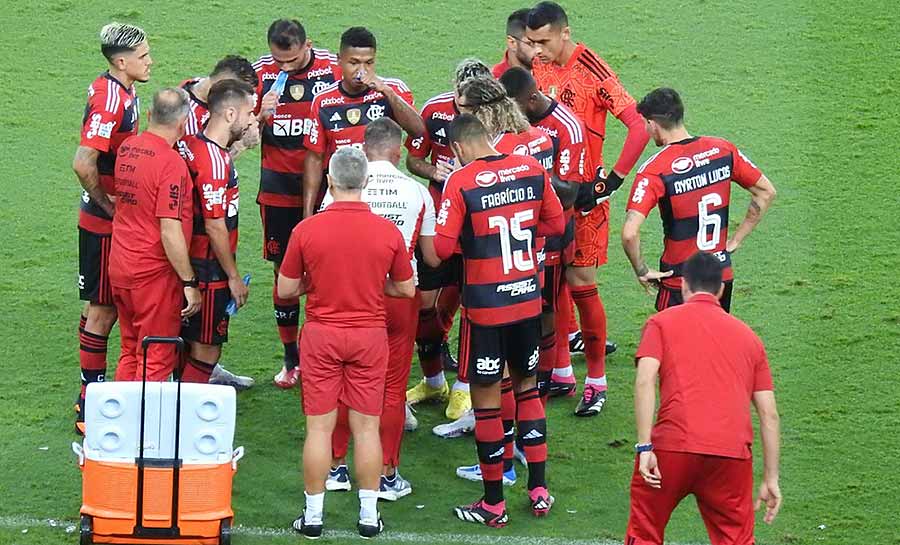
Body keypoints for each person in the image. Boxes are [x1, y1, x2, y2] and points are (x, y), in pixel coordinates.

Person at [278, 147, 415, 539]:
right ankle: (369, 516)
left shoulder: (307, 230)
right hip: (369, 337)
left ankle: (314, 516)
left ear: (331, 181)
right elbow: (405, 289)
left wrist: (312, 283)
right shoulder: (386, 231)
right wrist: (374, 285)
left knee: (319, 430)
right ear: (366, 182)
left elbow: (286, 289)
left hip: (322, 334)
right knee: (367, 429)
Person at [436, 114, 563, 527]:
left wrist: (475, 240)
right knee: (527, 391)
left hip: (485, 310)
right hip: (527, 300)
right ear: (489, 138)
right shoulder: (530, 169)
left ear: (457, 149)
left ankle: (493, 504)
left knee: (488, 404)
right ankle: (540, 489)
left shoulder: (461, 181)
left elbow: (439, 248)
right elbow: (556, 224)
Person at [526, 1, 650, 417]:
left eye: (543, 41)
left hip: (583, 196)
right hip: (547, 196)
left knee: (581, 284)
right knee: (554, 284)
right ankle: (561, 370)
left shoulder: (592, 69)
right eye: (532, 42)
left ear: (564, 33)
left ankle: (596, 380)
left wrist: (610, 181)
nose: (537, 50)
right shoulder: (534, 67)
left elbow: (637, 125)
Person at [626, 251, 782, 545]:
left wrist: (645, 445)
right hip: (730, 456)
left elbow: (645, 379)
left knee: (644, 532)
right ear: (721, 290)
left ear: (684, 286)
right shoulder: (751, 339)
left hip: (671, 450)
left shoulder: (660, 323)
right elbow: (769, 414)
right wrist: (771, 478)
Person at [324, 118, 439, 501]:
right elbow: (432, 256)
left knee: (340, 382)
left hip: (347, 294)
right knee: (391, 390)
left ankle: (337, 468)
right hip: (397, 297)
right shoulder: (417, 192)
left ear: (362, 146)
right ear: (397, 150)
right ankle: (388, 475)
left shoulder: (341, 186)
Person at [621, 88, 777, 312]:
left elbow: (629, 233)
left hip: (680, 282)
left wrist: (642, 270)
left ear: (653, 124)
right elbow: (766, 192)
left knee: (674, 346)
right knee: (714, 343)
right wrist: (736, 240)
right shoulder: (723, 149)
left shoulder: (655, 169)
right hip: (720, 276)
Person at [253, 19, 341, 389]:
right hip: (277, 188)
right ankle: (292, 359)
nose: (284, 68)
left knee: (331, 274)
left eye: (291, 60)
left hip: (328, 188)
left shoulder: (335, 68)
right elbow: (233, 132)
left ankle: (328, 353)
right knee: (283, 274)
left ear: (309, 44)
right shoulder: (260, 74)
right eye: (279, 61)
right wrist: (259, 115)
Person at [403, 58, 493, 424]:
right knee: (423, 306)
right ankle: (434, 380)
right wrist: (432, 170)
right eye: (462, 101)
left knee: (473, 310)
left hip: (478, 227)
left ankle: (464, 389)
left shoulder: (499, 120)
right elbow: (413, 158)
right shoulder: (433, 111)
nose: (467, 108)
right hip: (436, 224)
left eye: (474, 104)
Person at [72, 22, 150, 433]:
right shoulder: (109, 99)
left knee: (99, 306)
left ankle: (90, 394)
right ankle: (90, 403)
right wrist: (111, 208)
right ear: (121, 62)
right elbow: (83, 162)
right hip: (103, 224)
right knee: (104, 309)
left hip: (108, 218)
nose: (150, 61)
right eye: (142, 56)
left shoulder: (122, 88)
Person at [501, 66, 587, 399]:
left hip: (553, 230)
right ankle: (539, 371)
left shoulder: (567, 127)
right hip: (521, 230)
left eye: (514, 107)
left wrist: (528, 170)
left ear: (532, 99)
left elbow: (570, 193)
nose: (510, 116)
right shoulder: (513, 129)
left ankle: (547, 376)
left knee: (546, 304)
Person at [108, 88, 199, 382]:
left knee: (130, 349)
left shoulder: (128, 149)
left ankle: (120, 425)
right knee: (156, 356)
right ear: (183, 124)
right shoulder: (171, 164)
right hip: (153, 275)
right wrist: (188, 281)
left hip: (120, 266)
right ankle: (146, 428)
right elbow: (170, 229)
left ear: (149, 115)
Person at [177, 79, 257, 389]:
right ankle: (182, 419)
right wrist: (233, 276)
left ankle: (174, 414)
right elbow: (214, 224)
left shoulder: (194, 145)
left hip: (191, 261)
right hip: (209, 268)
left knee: (187, 343)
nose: (253, 120)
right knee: (207, 348)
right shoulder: (213, 160)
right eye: (249, 113)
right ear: (230, 114)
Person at [304, 26, 425, 218]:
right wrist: (308, 212)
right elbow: (314, 158)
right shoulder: (323, 101)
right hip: (343, 194)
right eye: (354, 63)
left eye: (369, 63)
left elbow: (418, 131)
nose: (362, 70)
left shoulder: (393, 89)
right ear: (339, 60)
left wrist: (387, 92)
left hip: (384, 194)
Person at [180, 55, 260, 158]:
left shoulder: (198, 83)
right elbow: (206, 167)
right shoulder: (188, 120)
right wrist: (240, 145)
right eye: (242, 97)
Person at [492, 9, 536, 78]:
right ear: (512, 43)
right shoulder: (497, 81)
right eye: (531, 44)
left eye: (542, 42)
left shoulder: (551, 71)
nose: (539, 50)